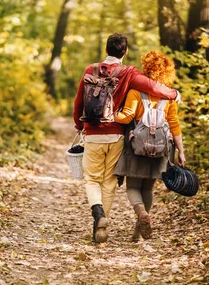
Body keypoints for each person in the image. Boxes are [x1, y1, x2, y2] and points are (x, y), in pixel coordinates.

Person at [73, 34, 180, 244]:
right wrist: (173, 93)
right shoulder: (128, 73)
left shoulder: (90, 70)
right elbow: (152, 86)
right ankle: (103, 221)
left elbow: (79, 101)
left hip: (93, 133)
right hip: (115, 135)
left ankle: (98, 216)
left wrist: (80, 125)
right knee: (110, 181)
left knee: (92, 179)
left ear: (106, 49)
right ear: (125, 51)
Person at [113, 50, 185, 242]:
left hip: (137, 147)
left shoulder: (136, 92)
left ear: (147, 67)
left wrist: (112, 115)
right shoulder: (169, 97)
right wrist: (181, 152)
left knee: (133, 187)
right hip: (160, 148)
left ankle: (141, 213)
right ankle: (138, 232)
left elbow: (127, 116)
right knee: (148, 189)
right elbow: (174, 125)